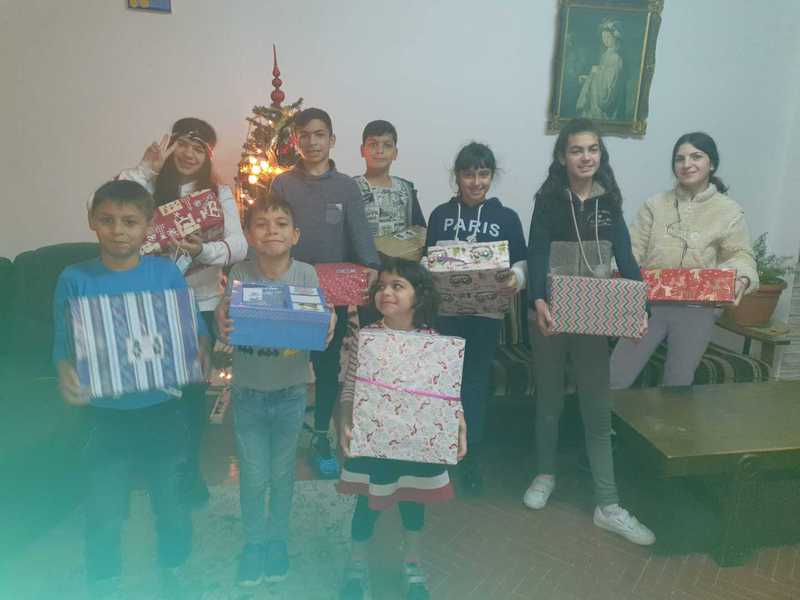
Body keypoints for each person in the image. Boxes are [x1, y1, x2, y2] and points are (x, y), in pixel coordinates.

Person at [53, 180, 210, 594]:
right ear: (92, 221)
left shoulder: (166, 274)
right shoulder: (74, 278)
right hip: (104, 417)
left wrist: (201, 351)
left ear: (148, 227)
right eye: (107, 220)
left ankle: (174, 567)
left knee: (171, 502)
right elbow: (63, 343)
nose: (118, 231)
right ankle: (104, 577)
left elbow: (195, 329)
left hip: (163, 409)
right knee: (103, 508)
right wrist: (65, 371)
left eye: (129, 221)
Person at [525, 118, 655, 546]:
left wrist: (641, 307)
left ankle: (608, 504)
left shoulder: (609, 201)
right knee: (548, 401)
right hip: (550, 313)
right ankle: (545, 474)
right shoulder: (548, 200)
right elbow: (536, 252)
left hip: (594, 316)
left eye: (593, 149)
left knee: (597, 410)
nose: (586, 157)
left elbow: (626, 257)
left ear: (601, 154)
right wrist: (537, 300)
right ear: (562, 156)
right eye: (577, 149)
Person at [118, 117, 247, 505]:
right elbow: (112, 203)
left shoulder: (218, 193)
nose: (189, 154)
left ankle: (188, 471)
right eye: (183, 145)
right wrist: (147, 168)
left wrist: (202, 250)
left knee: (191, 396)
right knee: (152, 390)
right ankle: (156, 470)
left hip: (199, 308)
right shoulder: (150, 187)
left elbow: (239, 246)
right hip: (151, 306)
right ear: (171, 146)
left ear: (208, 156)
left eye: (199, 148)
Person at [215, 192, 337, 586]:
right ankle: (254, 544)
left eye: (282, 224)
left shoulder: (306, 274)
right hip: (248, 391)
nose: (272, 231)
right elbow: (226, 317)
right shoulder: (240, 273)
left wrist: (330, 317)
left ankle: (278, 541)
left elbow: (321, 314)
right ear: (250, 235)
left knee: (283, 472)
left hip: (290, 392)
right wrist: (221, 318)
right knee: (253, 475)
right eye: (262, 224)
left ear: (296, 234)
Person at [337, 258, 467, 600]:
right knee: (366, 506)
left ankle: (412, 565)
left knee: (413, 505)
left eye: (398, 286)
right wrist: (345, 420)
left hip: (416, 443)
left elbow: (445, 392)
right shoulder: (365, 336)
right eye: (381, 286)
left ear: (418, 296)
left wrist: (459, 423)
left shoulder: (432, 341)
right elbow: (351, 385)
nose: (387, 292)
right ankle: (356, 566)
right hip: (373, 439)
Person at [270, 108, 380, 478]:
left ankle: (321, 436)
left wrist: (371, 266)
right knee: (287, 361)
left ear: (331, 140)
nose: (312, 141)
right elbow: (271, 231)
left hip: (334, 291)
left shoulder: (346, 186)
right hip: (290, 287)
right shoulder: (282, 185)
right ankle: (282, 435)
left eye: (319, 134)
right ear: (295, 141)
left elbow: (359, 232)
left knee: (328, 364)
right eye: (304, 135)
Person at [610, 132, 759, 388]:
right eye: (680, 159)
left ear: (712, 164)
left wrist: (741, 278)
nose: (687, 164)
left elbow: (741, 255)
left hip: (697, 309)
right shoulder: (654, 205)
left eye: (696, 157)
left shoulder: (729, 211)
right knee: (616, 376)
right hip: (647, 303)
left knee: (678, 383)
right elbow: (631, 250)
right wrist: (617, 276)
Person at [424, 142, 527, 494]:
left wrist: (517, 278)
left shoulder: (506, 218)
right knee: (443, 380)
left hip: (486, 315)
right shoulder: (440, 215)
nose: (476, 182)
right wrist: (428, 270)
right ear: (457, 176)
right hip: (446, 313)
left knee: (474, 382)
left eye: (483, 174)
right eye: (469, 174)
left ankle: (471, 455)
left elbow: (522, 261)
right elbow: (426, 257)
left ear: (492, 176)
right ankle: (438, 451)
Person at [354, 119, 426, 237]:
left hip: (402, 249)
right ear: (362, 150)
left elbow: (420, 230)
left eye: (387, 145)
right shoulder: (350, 188)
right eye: (373, 144)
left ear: (395, 153)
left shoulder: (407, 190)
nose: (379, 151)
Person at [577, 19, 625, 120]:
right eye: (603, 37)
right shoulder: (604, 55)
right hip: (596, 94)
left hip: (604, 96)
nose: (605, 40)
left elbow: (612, 79)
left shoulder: (616, 57)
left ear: (615, 38)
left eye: (608, 37)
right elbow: (601, 73)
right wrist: (588, 77)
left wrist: (597, 71)